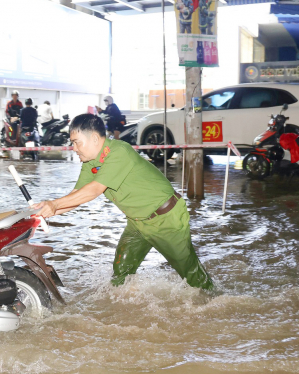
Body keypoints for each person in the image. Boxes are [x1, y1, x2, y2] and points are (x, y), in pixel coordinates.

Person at [32, 114, 213, 290]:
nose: (74, 148)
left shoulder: (119, 151)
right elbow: (77, 195)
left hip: (165, 218)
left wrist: (54, 204)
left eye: (76, 142)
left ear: (94, 138)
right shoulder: (91, 163)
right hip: (137, 222)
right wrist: (46, 212)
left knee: (191, 274)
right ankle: (122, 309)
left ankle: (216, 302)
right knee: (121, 269)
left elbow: (94, 189)